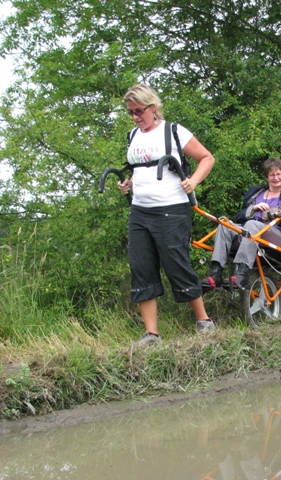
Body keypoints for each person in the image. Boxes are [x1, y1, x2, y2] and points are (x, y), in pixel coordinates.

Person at [117, 84, 216, 347]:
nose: (136, 117)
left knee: (176, 263)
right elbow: (140, 170)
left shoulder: (173, 131)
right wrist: (129, 184)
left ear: (152, 107)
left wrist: (193, 181)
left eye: (139, 111)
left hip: (171, 209)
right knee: (141, 267)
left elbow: (207, 158)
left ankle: (204, 321)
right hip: (139, 210)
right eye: (131, 113)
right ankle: (152, 335)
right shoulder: (132, 135)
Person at [202, 157, 281, 290]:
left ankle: (241, 274)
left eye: (279, 174)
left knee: (252, 225)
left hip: (278, 233)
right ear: (267, 176)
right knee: (224, 225)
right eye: (272, 174)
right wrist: (253, 208)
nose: (276, 178)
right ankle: (215, 274)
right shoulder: (256, 193)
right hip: (251, 229)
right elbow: (239, 216)